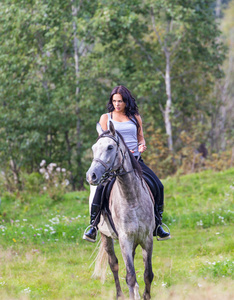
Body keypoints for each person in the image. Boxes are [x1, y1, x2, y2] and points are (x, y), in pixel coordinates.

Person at [83, 85, 171, 242]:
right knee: (101, 188)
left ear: (126, 102)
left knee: (158, 185)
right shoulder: (106, 118)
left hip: (135, 160)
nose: (117, 104)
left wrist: (141, 145)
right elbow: (105, 140)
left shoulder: (135, 117)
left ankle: (158, 224)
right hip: (114, 163)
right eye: (114, 101)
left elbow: (140, 137)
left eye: (120, 101)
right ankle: (93, 226)